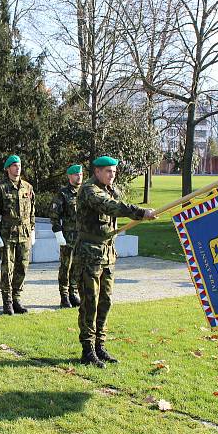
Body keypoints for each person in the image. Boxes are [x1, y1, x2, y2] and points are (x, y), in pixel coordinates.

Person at [75, 156, 157, 368]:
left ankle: (100, 346)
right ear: (97, 172)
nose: (113, 175)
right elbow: (109, 206)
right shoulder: (88, 190)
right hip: (89, 253)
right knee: (89, 303)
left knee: (106, 301)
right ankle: (88, 350)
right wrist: (139, 213)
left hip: (108, 253)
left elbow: (115, 207)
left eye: (114, 171)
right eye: (108, 171)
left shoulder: (112, 189)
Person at [0, 154, 36, 315]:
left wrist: (33, 229)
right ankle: (7, 301)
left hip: (24, 233)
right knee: (7, 268)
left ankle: (16, 298)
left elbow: (32, 211)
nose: (17, 168)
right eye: (14, 165)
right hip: (7, 233)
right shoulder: (0, 187)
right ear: (8, 168)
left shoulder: (27, 187)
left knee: (22, 266)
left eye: (19, 165)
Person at [50, 164, 83, 308]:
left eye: (81, 174)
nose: (79, 177)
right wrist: (58, 233)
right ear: (70, 176)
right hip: (67, 237)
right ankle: (64, 295)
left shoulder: (85, 192)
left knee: (77, 266)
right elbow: (54, 215)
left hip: (81, 236)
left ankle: (73, 293)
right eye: (76, 174)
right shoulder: (63, 194)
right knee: (66, 266)